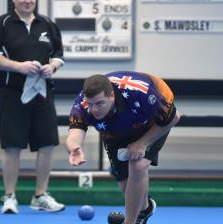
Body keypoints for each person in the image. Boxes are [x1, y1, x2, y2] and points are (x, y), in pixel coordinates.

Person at [0, 0, 65, 214]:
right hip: (13, 95)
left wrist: (53, 67)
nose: (28, 1)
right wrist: (19, 67)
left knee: (47, 144)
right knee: (12, 146)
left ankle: (40, 196)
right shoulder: (1, 24)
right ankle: (9, 197)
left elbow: (59, 55)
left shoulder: (47, 24)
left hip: (43, 94)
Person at [66, 71, 180, 224]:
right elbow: (75, 132)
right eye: (90, 104)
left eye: (100, 103)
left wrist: (142, 143)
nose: (93, 109)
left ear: (111, 95)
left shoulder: (141, 93)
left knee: (137, 164)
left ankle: (131, 221)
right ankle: (145, 209)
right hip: (114, 129)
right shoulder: (83, 103)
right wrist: (75, 148)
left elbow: (173, 118)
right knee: (125, 184)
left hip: (151, 121)